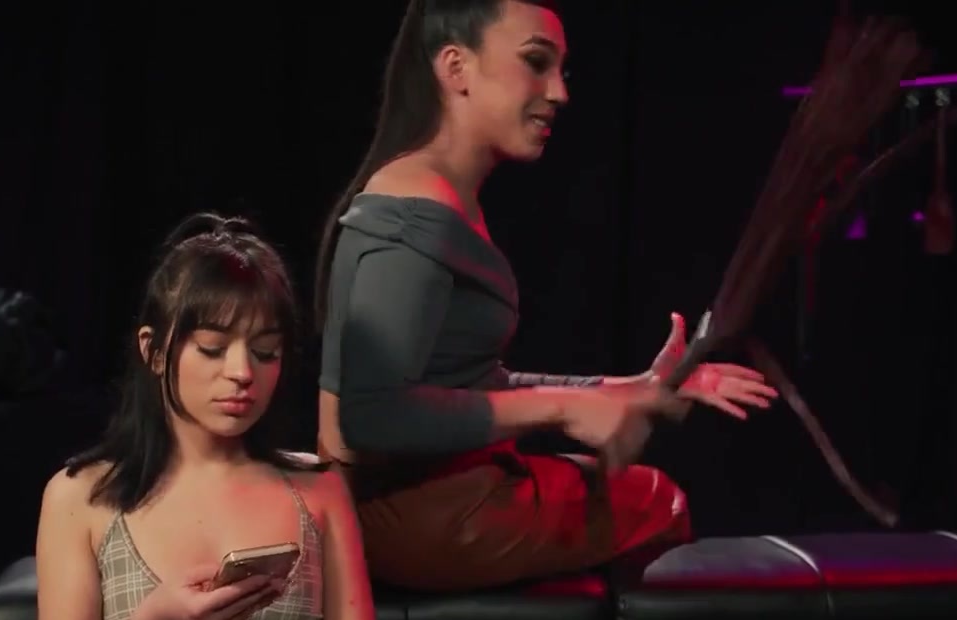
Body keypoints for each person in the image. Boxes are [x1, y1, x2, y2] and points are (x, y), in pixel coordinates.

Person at [313, 0, 780, 591]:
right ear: (455, 67)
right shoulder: (416, 207)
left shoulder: (439, 197)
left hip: (431, 496)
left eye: (562, 70)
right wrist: (561, 408)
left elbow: (467, 385)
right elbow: (370, 416)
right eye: (536, 63)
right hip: (410, 516)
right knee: (658, 502)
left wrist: (631, 388)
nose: (559, 92)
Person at [38, 213, 375, 619]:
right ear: (154, 352)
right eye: (212, 348)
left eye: (265, 352)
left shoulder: (319, 490)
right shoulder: (80, 499)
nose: (242, 372)